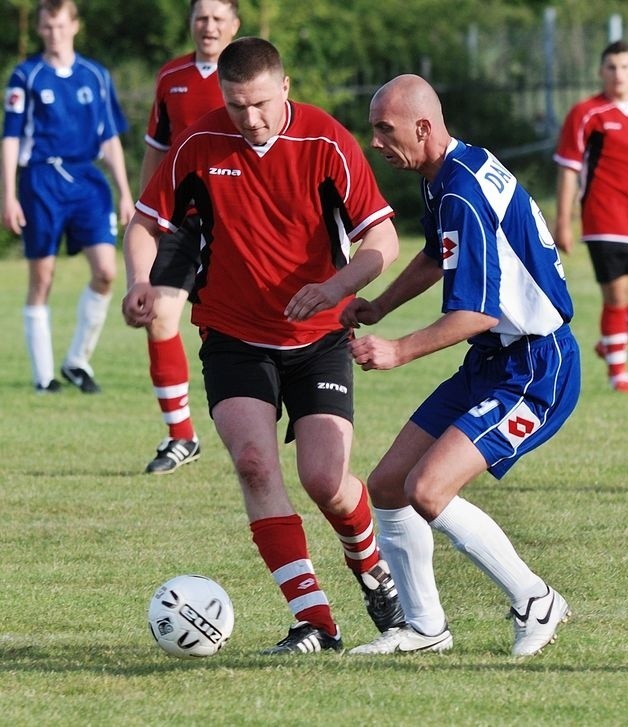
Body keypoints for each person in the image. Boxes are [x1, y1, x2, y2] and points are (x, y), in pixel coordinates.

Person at [122, 37, 403, 654]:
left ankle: (374, 570)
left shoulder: (325, 140)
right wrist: (142, 279)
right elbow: (146, 221)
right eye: (235, 105)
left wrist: (333, 285)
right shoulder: (199, 142)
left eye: (259, 104)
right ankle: (315, 621)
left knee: (325, 480)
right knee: (254, 464)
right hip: (232, 337)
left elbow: (383, 238)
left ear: (285, 86)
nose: (249, 119)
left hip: (318, 337)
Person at [340, 74, 581, 657]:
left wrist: (397, 349)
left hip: (534, 367)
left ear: (423, 127)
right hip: (493, 360)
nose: (375, 141)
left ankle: (535, 599)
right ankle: (425, 629)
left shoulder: (459, 193)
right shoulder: (449, 171)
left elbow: (476, 313)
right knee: (389, 486)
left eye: (384, 129)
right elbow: (435, 253)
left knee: (427, 488)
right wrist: (381, 305)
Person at [1, 0, 134, 393]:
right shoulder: (26, 76)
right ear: (40, 29)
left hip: (88, 182)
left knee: (108, 272)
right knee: (42, 277)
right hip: (41, 181)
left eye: (60, 26)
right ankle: (44, 377)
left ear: (74, 26)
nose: (53, 34)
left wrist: (126, 192)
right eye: (47, 27)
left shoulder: (95, 75)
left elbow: (110, 138)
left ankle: (77, 361)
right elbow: (10, 138)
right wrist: (9, 194)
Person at [136, 0, 241, 474]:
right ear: (191, 24)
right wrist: (144, 213)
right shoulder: (170, 76)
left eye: (219, 18)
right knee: (159, 316)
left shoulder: (248, 74)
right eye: (202, 17)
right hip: (182, 219)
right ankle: (181, 435)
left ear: (234, 25)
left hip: (241, 217)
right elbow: (155, 151)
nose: (209, 26)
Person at [554, 40, 628, 394]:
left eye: (624, 66)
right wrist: (563, 220)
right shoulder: (587, 113)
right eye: (611, 67)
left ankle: (611, 343)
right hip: (605, 220)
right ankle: (618, 374)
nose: (618, 74)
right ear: (600, 72)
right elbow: (569, 170)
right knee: (617, 297)